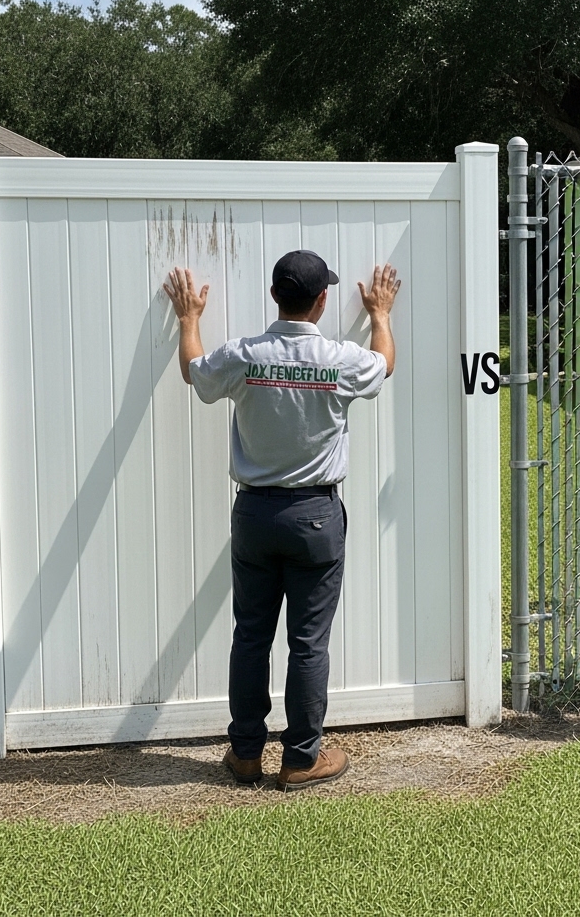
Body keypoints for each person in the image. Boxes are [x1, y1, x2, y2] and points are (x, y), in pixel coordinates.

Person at [163, 251, 401, 788]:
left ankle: (246, 755)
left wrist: (188, 319)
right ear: (321, 301)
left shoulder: (245, 355)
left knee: (250, 636)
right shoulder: (338, 359)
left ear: (274, 296)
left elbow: (194, 374)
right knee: (308, 642)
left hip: (254, 512)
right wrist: (381, 314)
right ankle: (300, 760)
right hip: (316, 515)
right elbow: (384, 363)